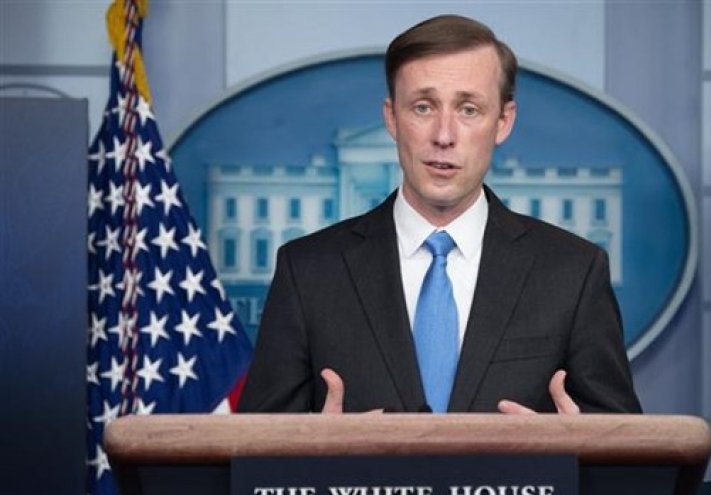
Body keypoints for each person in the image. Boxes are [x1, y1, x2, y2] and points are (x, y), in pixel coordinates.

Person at [237, 14, 641, 414]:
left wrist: (571, 445)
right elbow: (254, 446)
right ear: (392, 118)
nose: (444, 136)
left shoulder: (573, 272)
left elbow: (626, 445)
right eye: (423, 107)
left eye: (469, 109)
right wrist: (312, 447)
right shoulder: (307, 271)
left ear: (503, 122)